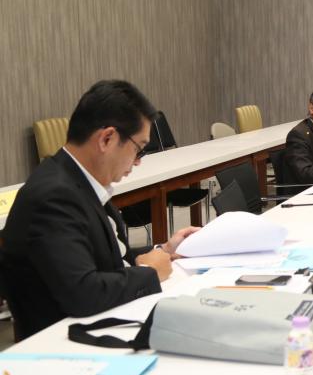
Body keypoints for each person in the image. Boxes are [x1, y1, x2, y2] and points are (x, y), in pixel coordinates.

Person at [0, 80, 200, 340]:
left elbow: (106, 256)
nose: (138, 162)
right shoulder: (53, 196)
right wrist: (149, 274)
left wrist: (163, 250)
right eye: (139, 149)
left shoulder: (78, 180)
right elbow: (83, 293)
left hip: (96, 324)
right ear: (107, 139)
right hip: (62, 343)